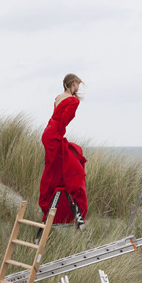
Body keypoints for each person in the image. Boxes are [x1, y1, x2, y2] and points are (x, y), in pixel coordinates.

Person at [38, 74, 88, 225]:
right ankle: (66, 202)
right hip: (54, 135)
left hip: (48, 132)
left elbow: (55, 118)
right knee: (73, 166)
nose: (78, 87)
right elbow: (63, 123)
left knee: (53, 168)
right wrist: (60, 135)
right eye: (78, 84)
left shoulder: (58, 97)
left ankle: (51, 203)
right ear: (73, 83)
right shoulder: (73, 100)